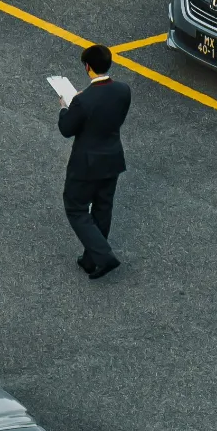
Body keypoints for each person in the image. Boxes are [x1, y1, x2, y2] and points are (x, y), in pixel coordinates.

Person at [58, 44, 131, 280]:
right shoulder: (123, 90)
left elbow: (66, 129)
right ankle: (90, 260)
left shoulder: (83, 101)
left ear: (88, 67)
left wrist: (65, 108)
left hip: (86, 164)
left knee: (76, 208)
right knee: (102, 208)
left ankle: (103, 256)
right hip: (112, 159)